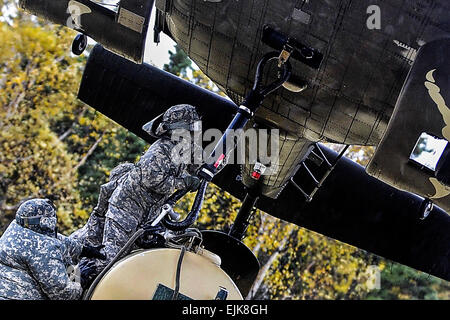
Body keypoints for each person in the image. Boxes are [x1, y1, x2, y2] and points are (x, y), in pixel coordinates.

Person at [71, 104, 203, 288]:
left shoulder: (185, 149)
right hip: (126, 208)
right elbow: (153, 181)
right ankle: (71, 279)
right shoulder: (161, 149)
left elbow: (199, 168)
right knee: (111, 257)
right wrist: (184, 182)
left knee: (129, 257)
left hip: (144, 213)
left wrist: (209, 167)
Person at [0, 198, 105, 300]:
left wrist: (83, 249)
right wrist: (78, 276)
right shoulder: (43, 250)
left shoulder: (15, 231)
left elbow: (54, 238)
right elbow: (64, 295)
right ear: (48, 222)